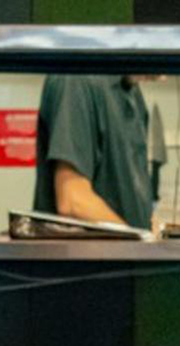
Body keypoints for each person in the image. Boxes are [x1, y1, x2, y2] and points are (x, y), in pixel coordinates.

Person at [37, 72, 161, 229]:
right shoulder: (75, 79)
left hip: (126, 251)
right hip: (89, 253)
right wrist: (138, 242)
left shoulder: (131, 92)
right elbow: (73, 201)